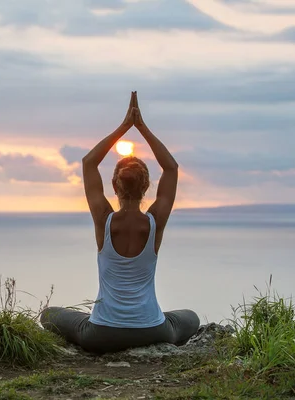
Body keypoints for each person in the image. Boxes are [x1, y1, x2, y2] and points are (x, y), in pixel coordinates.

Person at [40, 92, 200, 354]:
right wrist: (142, 127)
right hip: (152, 330)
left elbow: (89, 162)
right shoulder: (154, 223)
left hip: (101, 334)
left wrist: (125, 126)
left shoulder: (104, 219)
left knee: (48, 315)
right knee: (190, 317)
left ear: (114, 185)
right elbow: (171, 168)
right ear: (147, 186)